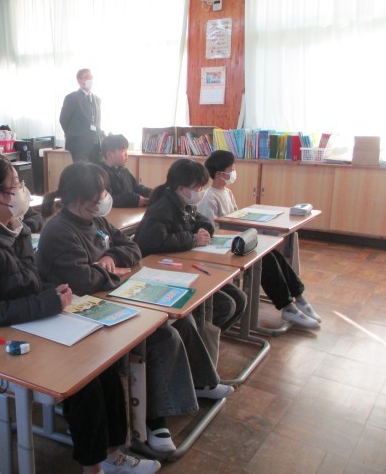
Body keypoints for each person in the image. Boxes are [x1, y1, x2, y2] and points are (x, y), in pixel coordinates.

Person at [0, 157, 159, 474]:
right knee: (82, 374)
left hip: (26, 324)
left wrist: (53, 291)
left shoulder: (12, 230)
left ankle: (113, 453)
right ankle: (93, 466)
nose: (23, 189)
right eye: (17, 184)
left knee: (103, 362)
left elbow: (28, 283)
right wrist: (48, 301)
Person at [36, 162, 233, 456]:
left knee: (183, 320)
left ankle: (203, 382)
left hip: (111, 295)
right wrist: (110, 270)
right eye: (98, 195)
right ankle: (155, 420)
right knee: (163, 336)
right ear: (78, 200)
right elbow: (83, 281)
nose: (104, 199)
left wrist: (109, 260)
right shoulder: (59, 231)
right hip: (79, 312)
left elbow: (133, 248)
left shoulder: (95, 219)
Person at [198, 150, 321, 328]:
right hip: (223, 247)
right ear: (219, 174)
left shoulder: (227, 192)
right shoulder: (209, 197)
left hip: (236, 241)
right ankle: (287, 307)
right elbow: (211, 230)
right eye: (231, 169)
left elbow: (235, 217)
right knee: (265, 259)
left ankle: (299, 296)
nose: (234, 172)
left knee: (273, 252)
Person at [134, 158, 247, 333]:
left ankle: (207, 337)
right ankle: (195, 336)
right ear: (181, 189)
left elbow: (202, 220)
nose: (201, 192)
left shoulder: (185, 203)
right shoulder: (162, 208)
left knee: (239, 298)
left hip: (182, 264)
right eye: (198, 188)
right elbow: (155, 242)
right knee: (226, 305)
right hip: (160, 271)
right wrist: (193, 239)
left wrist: (204, 229)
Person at [0, 145, 45, 233]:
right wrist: (17, 229)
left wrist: (20, 227)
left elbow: (37, 217)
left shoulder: (13, 205)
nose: (20, 188)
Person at [60, 68, 103, 163]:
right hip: (79, 145)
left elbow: (97, 122)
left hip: (96, 145)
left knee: (96, 170)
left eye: (91, 77)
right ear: (79, 81)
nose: (90, 79)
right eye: (86, 77)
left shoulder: (97, 99)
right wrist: (74, 136)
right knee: (82, 170)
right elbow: (63, 120)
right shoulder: (72, 98)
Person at [98, 134, 152, 207]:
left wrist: (154, 193)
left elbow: (137, 188)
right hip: (113, 212)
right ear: (110, 154)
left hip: (129, 211)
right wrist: (134, 199)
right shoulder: (100, 174)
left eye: (127, 150)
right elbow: (107, 199)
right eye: (123, 151)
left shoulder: (124, 171)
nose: (126, 154)